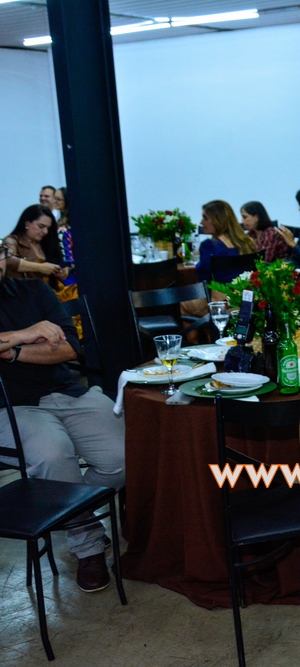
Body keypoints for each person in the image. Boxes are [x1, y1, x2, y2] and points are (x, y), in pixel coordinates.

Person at [0, 245, 125, 592]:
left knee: (125, 455)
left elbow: (69, 348)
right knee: (53, 455)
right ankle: (88, 545)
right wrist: (26, 334)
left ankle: (71, 508)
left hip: (67, 391)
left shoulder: (33, 289)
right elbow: (47, 343)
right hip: (9, 406)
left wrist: (13, 352)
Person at [3, 205, 68, 286]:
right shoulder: (13, 240)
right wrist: (39, 267)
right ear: (27, 223)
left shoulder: (47, 243)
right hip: (27, 290)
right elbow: (6, 260)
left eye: (48, 228)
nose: (45, 232)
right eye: (41, 226)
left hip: (51, 289)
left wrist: (62, 272)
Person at [195, 200, 256, 283]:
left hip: (219, 290)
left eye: (205, 218)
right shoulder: (248, 242)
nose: (201, 222)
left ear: (218, 220)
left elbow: (203, 276)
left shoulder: (209, 245)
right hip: (245, 289)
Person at [51, 187, 78, 301]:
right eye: (54, 198)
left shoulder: (69, 224)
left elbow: (67, 249)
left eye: (58, 199)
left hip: (69, 271)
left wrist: (68, 266)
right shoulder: (59, 220)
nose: (55, 201)